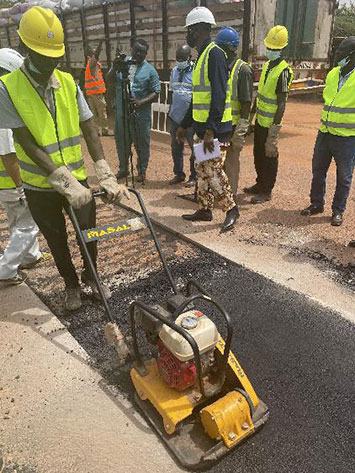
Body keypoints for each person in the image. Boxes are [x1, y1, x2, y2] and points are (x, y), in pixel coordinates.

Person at [0, 7, 129, 311]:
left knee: (89, 234)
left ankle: (92, 277)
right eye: (44, 57)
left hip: (78, 177)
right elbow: (26, 142)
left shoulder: (68, 82)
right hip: (40, 185)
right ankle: (71, 285)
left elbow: (89, 127)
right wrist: (63, 182)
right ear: (24, 49)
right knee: (56, 239)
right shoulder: (7, 89)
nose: (50, 63)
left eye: (55, 57)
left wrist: (104, 171)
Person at [177, 7, 239, 233]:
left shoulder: (214, 55)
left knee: (212, 170)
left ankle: (231, 209)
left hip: (216, 130)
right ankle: (204, 209)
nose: (188, 35)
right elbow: (199, 96)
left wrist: (211, 131)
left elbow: (219, 95)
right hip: (203, 128)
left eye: (190, 30)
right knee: (202, 169)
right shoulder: (202, 56)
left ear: (200, 29)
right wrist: (184, 124)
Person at [301, 37, 355, 226]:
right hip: (325, 133)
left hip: (347, 138)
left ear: (352, 55)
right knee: (318, 170)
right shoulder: (333, 74)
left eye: (342, 52)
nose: (337, 55)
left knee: (344, 176)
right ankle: (317, 203)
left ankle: (338, 211)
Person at [0, 48, 42, 286]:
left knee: (16, 221)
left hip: (4, 183)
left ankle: (30, 256)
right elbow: (8, 154)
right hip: (10, 181)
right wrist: (20, 187)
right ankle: (5, 270)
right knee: (28, 224)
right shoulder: (4, 110)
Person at [244, 25, 293, 204]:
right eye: (269, 47)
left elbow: (281, 102)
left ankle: (267, 190)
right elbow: (261, 94)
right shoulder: (267, 66)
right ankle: (259, 183)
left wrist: (274, 131)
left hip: (270, 122)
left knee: (269, 156)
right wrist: (251, 117)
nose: (270, 51)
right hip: (260, 121)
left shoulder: (283, 71)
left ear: (282, 49)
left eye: (275, 49)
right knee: (258, 154)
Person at [107, 39, 160, 183]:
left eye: (143, 52)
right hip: (121, 114)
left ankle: (142, 172)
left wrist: (140, 102)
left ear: (146, 54)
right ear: (131, 49)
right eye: (137, 50)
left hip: (140, 115)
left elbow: (156, 92)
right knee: (121, 142)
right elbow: (109, 80)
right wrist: (113, 67)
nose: (139, 54)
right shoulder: (123, 64)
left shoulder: (150, 70)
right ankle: (123, 169)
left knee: (141, 143)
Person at [215, 27, 253, 199]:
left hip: (232, 126)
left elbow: (246, 103)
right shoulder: (220, 66)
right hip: (217, 125)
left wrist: (241, 131)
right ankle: (212, 193)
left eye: (220, 47)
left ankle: (230, 197)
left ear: (229, 48)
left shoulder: (243, 69)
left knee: (230, 163)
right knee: (211, 161)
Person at [168, 44, 196, 186]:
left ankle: (194, 176)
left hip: (190, 118)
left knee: (195, 149)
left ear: (189, 57)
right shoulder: (174, 71)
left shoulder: (196, 71)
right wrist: (169, 111)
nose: (179, 61)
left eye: (182, 58)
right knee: (175, 147)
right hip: (175, 117)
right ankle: (179, 174)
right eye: (177, 58)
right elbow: (171, 91)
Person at [84, 39, 110, 136]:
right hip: (97, 93)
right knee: (102, 113)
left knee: (93, 114)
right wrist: (100, 45)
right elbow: (96, 56)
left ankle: (96, 131)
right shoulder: (92, 64)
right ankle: (104, 130)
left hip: (91, 94)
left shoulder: (89, 66)